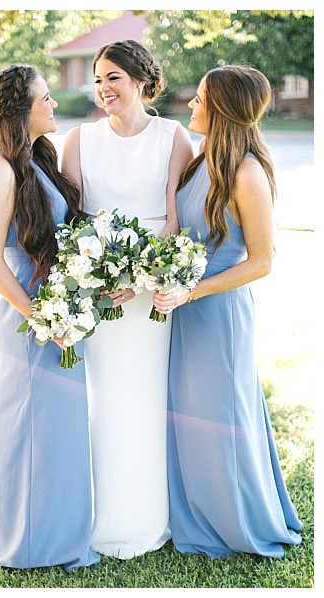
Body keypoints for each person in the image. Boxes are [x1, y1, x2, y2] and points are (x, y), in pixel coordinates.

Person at [152, 65, 303, 557]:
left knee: (222, 416)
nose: (191, 106)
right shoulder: (201, 163)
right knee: (189, 415)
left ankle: (237, 521)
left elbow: (261, 261)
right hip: (183, 309)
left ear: (220, 109)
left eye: (198, 99)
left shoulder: (247, 172)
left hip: (218, 314)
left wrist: (191, 292)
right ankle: (196, 511)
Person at [61, 39, 194, 559]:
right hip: (100, 295)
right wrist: (94, 277)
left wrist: (145, 278)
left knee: (145, 402)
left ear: (140, 80)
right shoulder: (78, 140)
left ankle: (146, 518)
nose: (102, 88)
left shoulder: (172, 136)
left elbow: (175, 218)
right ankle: (100, 516)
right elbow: (72, 221)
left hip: (149, 296)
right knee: (104, 403)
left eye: (113, 77)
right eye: (97, 79)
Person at [0, 64, 99, 571]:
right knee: (23, 421)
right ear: (23, 109)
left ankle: (60, 531)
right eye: (45, 98)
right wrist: (42, 316)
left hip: (62, 306)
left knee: (58, 426)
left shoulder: (40, 159)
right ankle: (23, 540)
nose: (54, 105)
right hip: (29, 314)